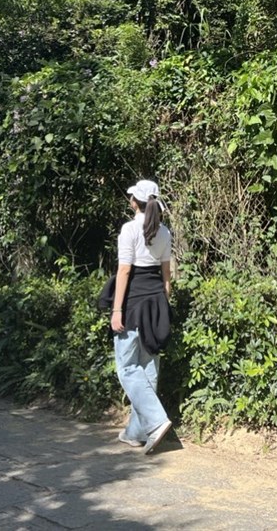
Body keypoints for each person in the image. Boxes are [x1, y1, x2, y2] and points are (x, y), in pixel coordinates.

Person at [99, 178, 173, 453]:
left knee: (128, 367)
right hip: (156, 300)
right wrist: (165, 305)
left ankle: (156, 421)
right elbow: (166, 275)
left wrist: (116, 309)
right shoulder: (164, 231)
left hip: (133, 302)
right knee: (148, 366)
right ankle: (136, 432)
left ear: (135, 202)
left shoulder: (129, 229)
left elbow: (124, 271)